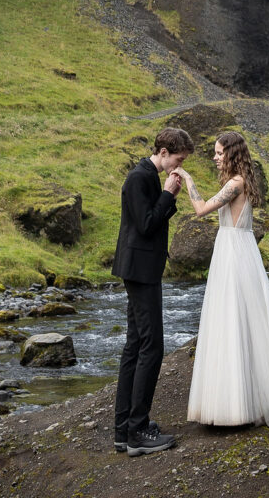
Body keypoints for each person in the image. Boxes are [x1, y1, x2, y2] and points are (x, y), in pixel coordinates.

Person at [175, 131, 269, 474]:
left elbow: (200, 210)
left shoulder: (235, 183)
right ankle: (237, 401)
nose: (214, 157)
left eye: (218, 153)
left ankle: (235, 406)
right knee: (238, 322)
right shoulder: (241, 181)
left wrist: (186, 179)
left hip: (234, 255)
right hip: (238, 252)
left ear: (231, 153)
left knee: (233, 321)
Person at [112, 126, 194, 456]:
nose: (179, 166)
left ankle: (124, 430)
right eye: (178, 159)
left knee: (135, 346)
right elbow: (146, 225)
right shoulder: (139, 177)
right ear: (162, 153)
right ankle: (137, 431)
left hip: (142, 270)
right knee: (151, 347)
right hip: (140, 271)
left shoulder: (147, 175)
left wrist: (166, 194)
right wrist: (170, 194)